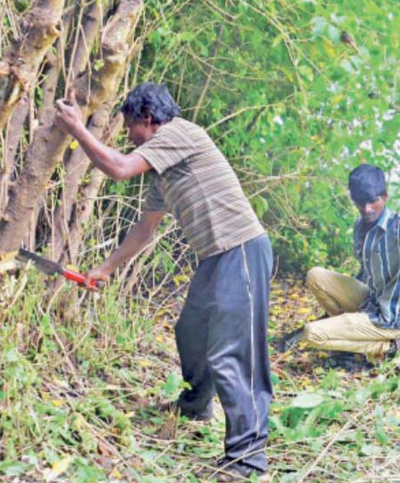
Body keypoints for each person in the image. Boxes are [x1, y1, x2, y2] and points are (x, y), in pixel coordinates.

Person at [53, 83, 272, 483]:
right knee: (190, 331)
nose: (128, 137)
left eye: (130, 128)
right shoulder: (163, 174)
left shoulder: (179, 134)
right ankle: (195, 405)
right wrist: (105, 269)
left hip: (241, 249)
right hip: (214, 257)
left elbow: (118, 168)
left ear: (148, 120)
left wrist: (77, 130)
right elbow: (144, 232)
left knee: (233, 353)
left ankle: (247, 461)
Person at [294, 164, 400, 363]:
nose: (367, 209)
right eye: (360, 203)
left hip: (390, 318)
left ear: (384, 197)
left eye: (372, 202)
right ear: (353, 199)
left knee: (312, 333)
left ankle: (389, 346)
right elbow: (365, 272)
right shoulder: (360, 226)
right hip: (372, 301)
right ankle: (350, 337)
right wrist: (340, 308)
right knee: (315, 275)